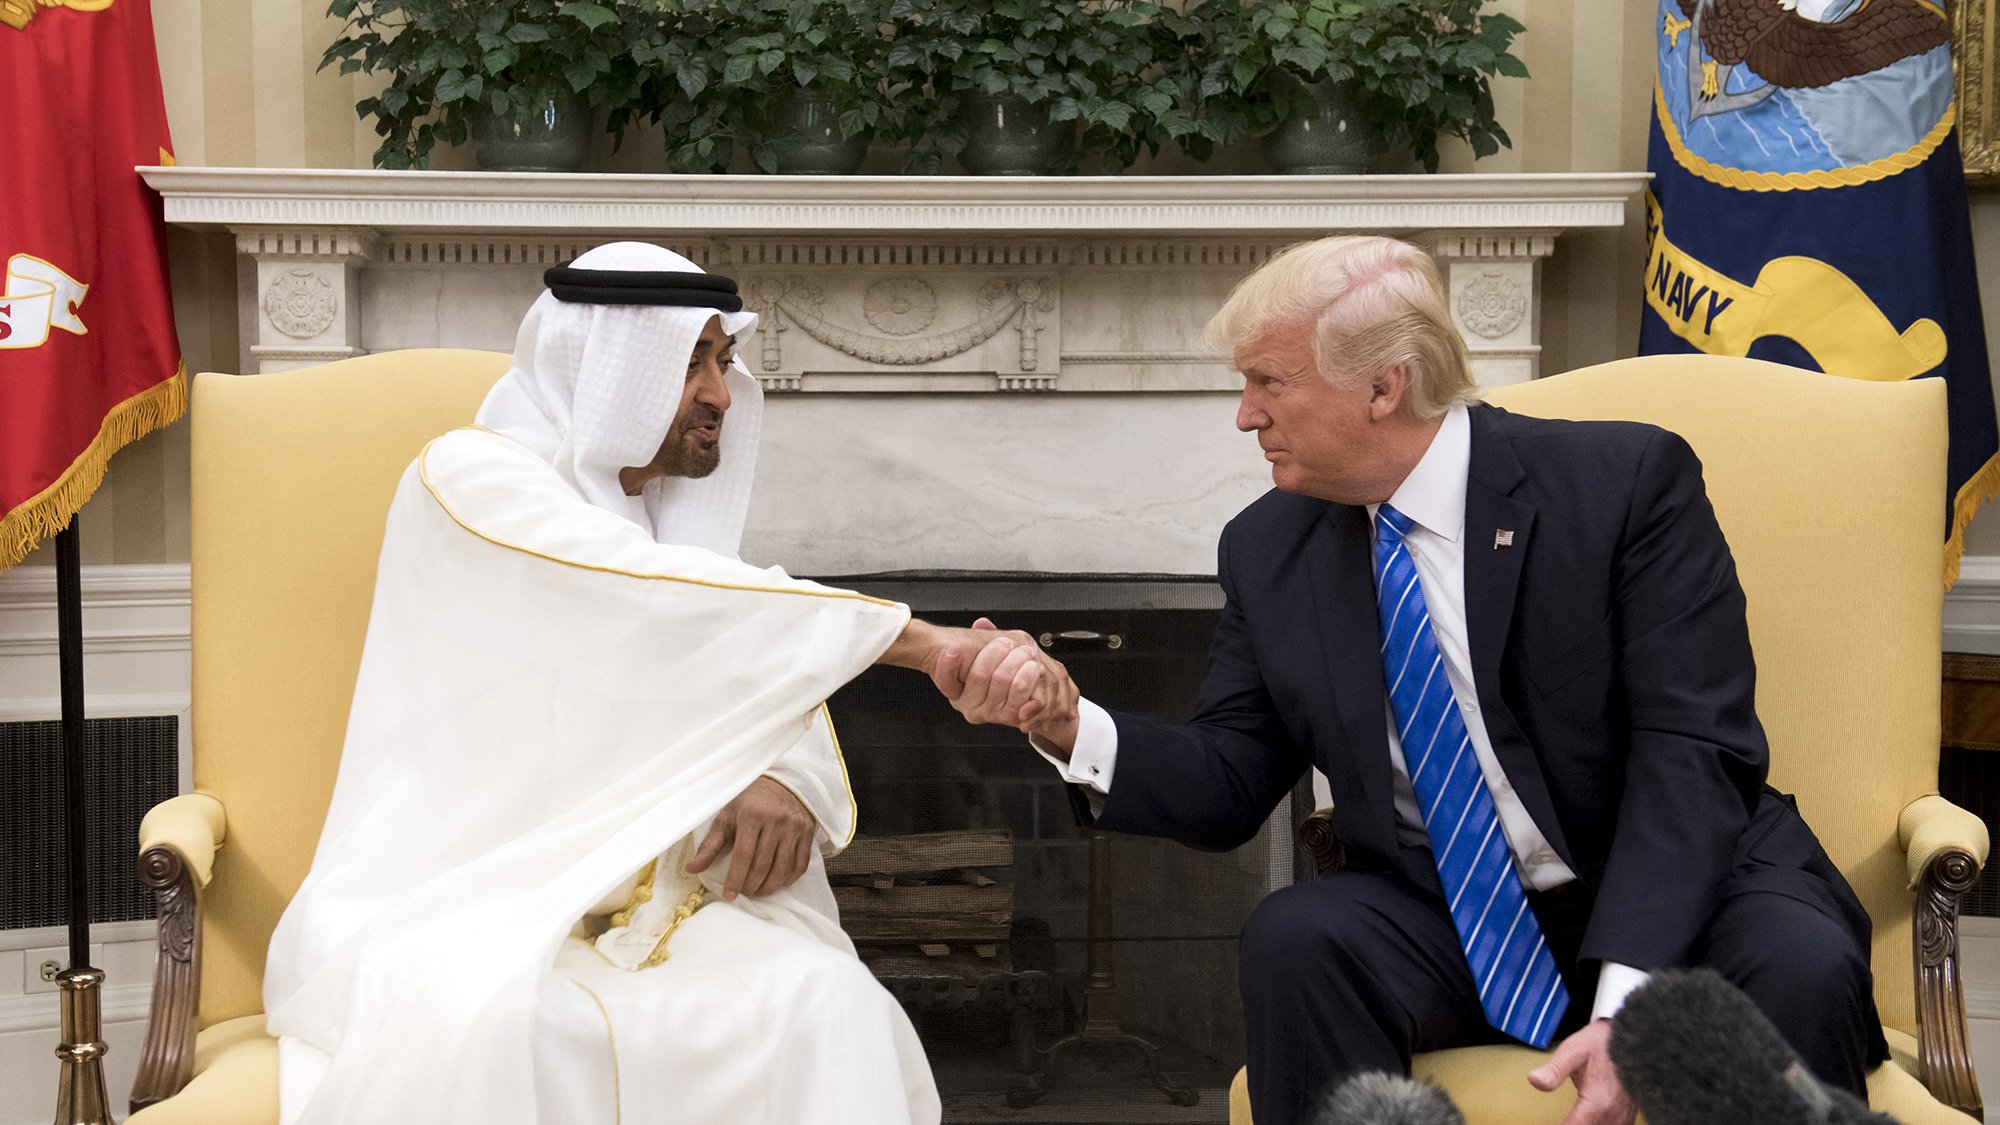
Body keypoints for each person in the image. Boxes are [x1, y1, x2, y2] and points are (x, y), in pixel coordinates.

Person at [943, 235, 1887, 1125]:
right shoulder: (1270, 547)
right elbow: (1230, 778)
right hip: (1454, 917)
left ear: (1384, 387)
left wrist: (1632, 1001)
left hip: (1681, 887)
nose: (1245, 414)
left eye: (1268, 381)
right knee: (1299, 936)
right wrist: (1069, 724)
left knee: (1799, 963)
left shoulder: (1625, 484)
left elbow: (1694, 750)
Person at [262, 242, 1059, 1125]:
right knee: (497, 1028)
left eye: (723, 361)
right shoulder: (469, 479)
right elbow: (652, 606)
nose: (721, 392)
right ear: (602, 366)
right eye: (690, 363)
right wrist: (923, 644)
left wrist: (778, 773)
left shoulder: (670, 546)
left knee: (828, 1001)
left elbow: (730, 648)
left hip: (654, 907)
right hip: (479, 902)